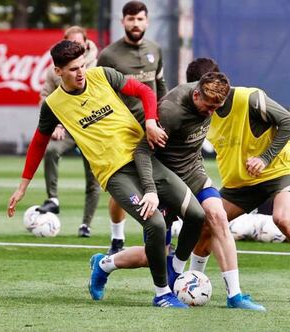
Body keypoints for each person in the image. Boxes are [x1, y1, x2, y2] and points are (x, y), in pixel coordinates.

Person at [7, 40, 205, 308]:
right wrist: (22, 186)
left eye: (83, 65)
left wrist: (149, 121)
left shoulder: (103, 75)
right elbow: (39, 142)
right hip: (114, 174)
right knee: (156, 224)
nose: (81, 72)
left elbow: (145, 91)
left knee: (196, 216)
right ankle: (162, 295)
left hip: (143, 158)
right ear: (58, 72)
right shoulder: (54, 104)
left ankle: (173, 273)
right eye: (74, 69)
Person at [188, 58, 290, 305]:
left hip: (280, 171)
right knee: (207, 224)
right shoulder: (198, 109)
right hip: (239, 183)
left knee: (283, 219)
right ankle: (191, 282)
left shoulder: (250, 98)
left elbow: (289, 122)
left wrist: (264, 158)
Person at [134, 71, 266, 311]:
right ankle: (105, 265)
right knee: (149, 256)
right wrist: (150, 189)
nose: (211, 113)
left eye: (217, 108)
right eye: (207, 107)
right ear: (196, 94)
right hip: (166, 177)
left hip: (194, 171)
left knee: (218, 217)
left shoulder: (211, 96)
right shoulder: (171, 112)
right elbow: (142, 152)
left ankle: (234, 295)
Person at [97, 0, 168, 254]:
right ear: (122, 22)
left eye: (140, 19)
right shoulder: (108, 55)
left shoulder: (156, 50)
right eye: (130, 19)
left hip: (153, 127)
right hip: (123, 132)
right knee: (122, 187)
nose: (135, 24)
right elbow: (100, 94)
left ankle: (164, 233)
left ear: (147, 21)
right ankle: (117, 239)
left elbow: (160, 86)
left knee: (162, 180)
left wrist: (163, 117)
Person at [37, 26, 100, 237]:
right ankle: (52, 199)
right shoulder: (55, 70)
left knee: (94, 178)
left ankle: (86, 224)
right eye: (71, 42)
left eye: (78, 43)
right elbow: (46, 98)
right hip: (68, 128)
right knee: (51, 150)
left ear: (86, 43)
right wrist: (55, 124)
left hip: (92, 129)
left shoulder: (98, 66)